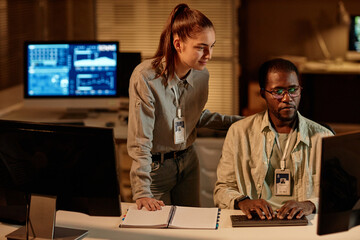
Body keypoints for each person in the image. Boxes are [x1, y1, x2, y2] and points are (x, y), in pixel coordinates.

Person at [127, 3, 243, 211]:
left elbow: (194, 117)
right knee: (160, 230)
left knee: (191, 225)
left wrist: (244, 122)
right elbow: (140, 141)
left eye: (212, 46)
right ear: (178, 44)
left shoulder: (201, 75)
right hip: (155, 169)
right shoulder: (145, 78)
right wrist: (142, 191)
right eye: (201, 47)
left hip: (188, 161)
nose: (209, 54)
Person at [214, 58, 334, 220]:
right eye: (278, 92)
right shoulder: (239, 132)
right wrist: (243, 202)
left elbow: (337, 193)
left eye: (293, 90)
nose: (287, 98)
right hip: (256, 220)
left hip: (303, 223)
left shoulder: (323, 137)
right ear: (263, 93)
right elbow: (222, 189)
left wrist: (310, 205)